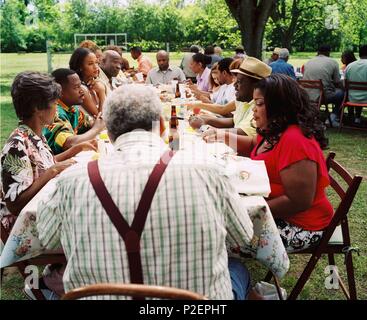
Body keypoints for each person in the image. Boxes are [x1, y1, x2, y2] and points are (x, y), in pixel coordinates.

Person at [37, 84, 254, 300]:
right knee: (237, 268)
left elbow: (47, 240)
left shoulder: (70, 180)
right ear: (162, 126)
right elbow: (243, 236)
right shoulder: (209, 169)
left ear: (109, 134)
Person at [204, 74, 333, 252]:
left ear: (279, 106)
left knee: (211, 236)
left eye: (259, 104)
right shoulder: (275, 130)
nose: (254, 110)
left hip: (300, 225)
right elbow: (253, 146)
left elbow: (298, 201)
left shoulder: (295, 141)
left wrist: (243, 210)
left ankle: (234, 276)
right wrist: (223, 136)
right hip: (273, 212)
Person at [0, 71, 95, 234]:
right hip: (25, 226)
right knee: (88, 220)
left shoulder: (34, 135)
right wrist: (53, 171)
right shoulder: (17, 145)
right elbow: (14, 205)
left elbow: (43, 165)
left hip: (43, 211)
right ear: (38, 108)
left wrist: (75, 149)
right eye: (54, 103)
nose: (56, 109)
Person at [189, 56, 271, 137]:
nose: (234, 85)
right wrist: (208, 120)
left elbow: (242, 132)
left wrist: (205, 128)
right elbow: (234, 121)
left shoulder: (260, 107)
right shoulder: (243, 100)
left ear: (255, 86)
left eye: (239, 81)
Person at [43, 68, 105, 154]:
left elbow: (91, 123)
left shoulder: (72, 109)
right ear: (60, 92)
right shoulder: (54, 112)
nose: (82, 91)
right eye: (76, 87)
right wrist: (96, 128)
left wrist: (97, 123)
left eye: (80, 86)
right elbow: (70, 144)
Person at [302, 45, 344, 127]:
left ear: (318, 52)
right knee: (341, 93)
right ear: (328, 52)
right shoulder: (333, 62)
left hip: (306, 95)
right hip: (323, 96)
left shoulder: (308, 62)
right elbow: (337, 82)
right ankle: (332, 118)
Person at [69, 47, 107, 116]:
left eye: (96, 62)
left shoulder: (94, 83)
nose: (96, 67)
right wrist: (101, 92)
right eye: (90, 64)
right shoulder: (81, 89)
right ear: (80, 67)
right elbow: (101, 118)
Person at [345, 45, 367, 124]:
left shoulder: (350, 66)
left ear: (359, 53)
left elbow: (345, 84)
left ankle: (352, 116)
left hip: (351, 98)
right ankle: (357, 117)